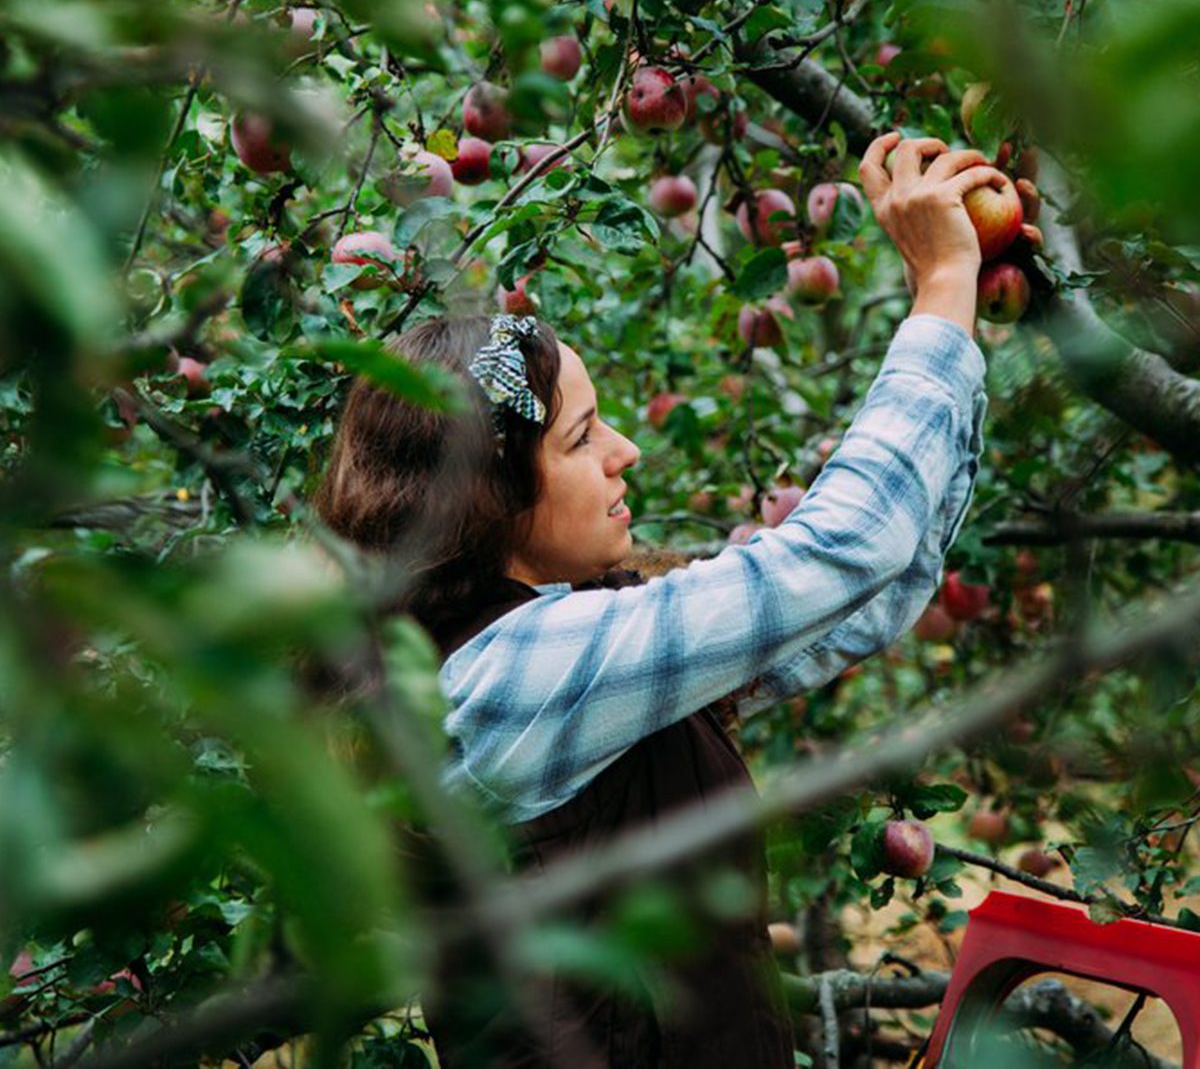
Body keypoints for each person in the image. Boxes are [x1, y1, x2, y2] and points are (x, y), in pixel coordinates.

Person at [313, 134, 1041, 1068]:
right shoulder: (508, 678)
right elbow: (847, 551)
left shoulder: (569, 645)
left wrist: (954, 305)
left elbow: (869, 590)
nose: (627, 450)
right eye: (581, 438)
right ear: (489, 496)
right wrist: (938, 290)